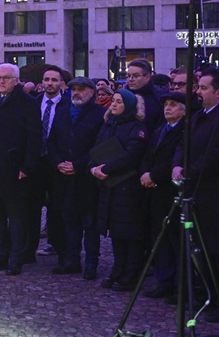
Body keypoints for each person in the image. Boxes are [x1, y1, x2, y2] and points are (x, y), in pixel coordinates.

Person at [172, 68, 219, 323]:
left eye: (203, 88)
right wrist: (177, 165)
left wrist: (187, 172)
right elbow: (183, 143)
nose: (198, 92)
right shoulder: (201, 115)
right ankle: (211, 297)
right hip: (199, 194)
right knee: (204, 250)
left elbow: (216, 156)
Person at [0, 63, 43, 276]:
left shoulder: (28, 103)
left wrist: (27, 166)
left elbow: (34, 138)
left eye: (6, 78)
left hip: (15, 169)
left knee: (17, 218)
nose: (1, 81)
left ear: (16, 80)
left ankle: (16, 258)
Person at [46, 77, 106, 280]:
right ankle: (72, 259)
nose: (77, 93)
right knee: (69, 218)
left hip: (87, 177)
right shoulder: (62, 112)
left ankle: (91, 262)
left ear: (91, 92)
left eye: (81, 89)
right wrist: (58, 162)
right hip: (64, 176)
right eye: (73, 89)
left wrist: (78, 165)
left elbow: (100, 146)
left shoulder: (99, 114)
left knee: (89, 221)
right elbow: (52, 141)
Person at [90, 90, 149, 292]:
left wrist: (106, 169)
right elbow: (97, 147)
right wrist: (93, 168)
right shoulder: (108, 124)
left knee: (130, 233)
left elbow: (132, 154)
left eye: (119, 102)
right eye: (113, 101)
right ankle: (118, 268)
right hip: (110, 186)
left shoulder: (137, 128)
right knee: (116, 231)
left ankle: (131, 273)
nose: (113, 105)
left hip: (128, 187)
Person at [138, 92, 185, 299]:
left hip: (171, 190)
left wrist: (154, 175)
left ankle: (179, 285)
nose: (168, 108)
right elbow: (148, 155)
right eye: (166, 104)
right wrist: (145, 173)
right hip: (154, 191)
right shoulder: (159, 130)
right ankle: (164, 280)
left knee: (176, 239)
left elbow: (175, 160)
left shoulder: (185, 132)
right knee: (160, 237)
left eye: (173, 104)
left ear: (183, 110)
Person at [30, 67, 69, 264]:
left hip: (58, 162)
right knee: (31, 206)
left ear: (61, 84)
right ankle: (28, 249)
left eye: (54, 80)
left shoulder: (68, 104)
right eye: (47, 79)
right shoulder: (33, 103)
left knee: (57, 207)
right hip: (36, 161)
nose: (50, 83)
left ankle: (58, 246)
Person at [124, 59, 165, 132]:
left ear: (147, 77)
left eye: (135, 76)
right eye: (129, 76)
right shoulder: (122, 96)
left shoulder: (159, 98)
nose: (130, 79)